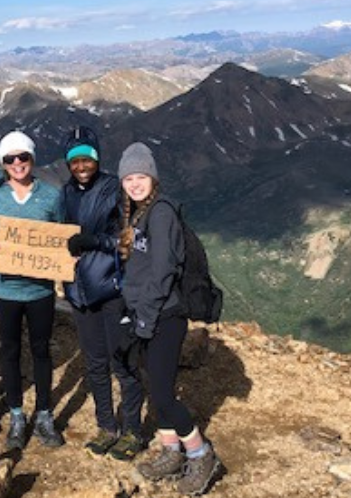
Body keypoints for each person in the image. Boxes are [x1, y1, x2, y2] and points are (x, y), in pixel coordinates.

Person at [117, 142, 222, 496]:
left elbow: (163, 271)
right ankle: (171, 451)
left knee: (162, 393)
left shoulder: (160, 213)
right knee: (154, 384)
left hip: (165, 315)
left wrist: (144, 319)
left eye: (140, 176)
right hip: (146, 313)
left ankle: (201, 454)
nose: (134, 183)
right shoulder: (138, 213)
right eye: (128, 177)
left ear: (153, 178)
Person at [0, 131, 65, 450]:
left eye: (22, 157)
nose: (17, 164)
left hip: (40, 291)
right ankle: (16, 414)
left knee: (42, 352)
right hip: (5, 289)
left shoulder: (51, 196)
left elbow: (61, 236)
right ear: (2, 163)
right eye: (9, 159)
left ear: (32, 159)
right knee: (10, 352)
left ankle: (43, 414)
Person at [61, 126, 145, 461]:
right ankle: (106, 426)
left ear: (97, 159)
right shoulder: (66, 192)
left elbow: (131, 239)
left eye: (88, 158)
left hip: (111, 288)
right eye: (75, 160)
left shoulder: (114, 189)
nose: (82, 165)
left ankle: (133, 431)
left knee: (122, 362)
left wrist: (94, 241)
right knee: (95, 363)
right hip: (80, 292)